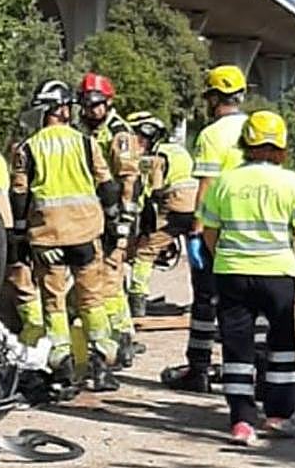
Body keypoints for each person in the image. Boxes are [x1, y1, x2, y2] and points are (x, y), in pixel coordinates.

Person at [198, 111, 295, 446]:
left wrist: (220, 255)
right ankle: (279, 416)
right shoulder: (291, 182)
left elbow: (209, 232)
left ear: (245, 144)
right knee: (281, 346)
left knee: (237, 347)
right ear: (281, 146)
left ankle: (241, 421)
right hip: (277, 274)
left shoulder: (225, 181)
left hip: (232, 273)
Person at [12, 80, 120, 390]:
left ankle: (62, 368)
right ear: (63, 109)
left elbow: (19, 195)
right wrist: (114, 224)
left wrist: (20, 237)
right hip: (86, 234)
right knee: (92, 300)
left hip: (47, 238)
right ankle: (102, 367)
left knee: (54, 303)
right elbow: (107, 186)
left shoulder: (27, 147)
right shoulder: (86, 143)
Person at [162, 64, 250, 393]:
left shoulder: (212, 135)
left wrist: (196, 231)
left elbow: (207, 185)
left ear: (214, 98)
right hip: (253, 227)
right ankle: (248, 369)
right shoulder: (256, 128)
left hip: (218, 228)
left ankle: (198, 369)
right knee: (249, 302)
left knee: (206, 299)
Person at [77, 72, 141, 367]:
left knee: (112, 274)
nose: (91, 110)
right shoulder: (82, 130)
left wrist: (125, 220)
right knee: (97, 275)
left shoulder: (118, 133)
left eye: (96, 104)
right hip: (92, 213)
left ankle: (122, 337)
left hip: (116, 213)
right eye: (87, 104)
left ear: (108, 102)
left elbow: (129, 178)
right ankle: (111, 336)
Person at [125, 111, 197, 317]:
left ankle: (137, 300)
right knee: (199, 256)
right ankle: (205, 299)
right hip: (198, 207)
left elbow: (153, 191)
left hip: (175, 205)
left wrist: (145, 223)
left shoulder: (155, 156)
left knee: (145, 252)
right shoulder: (178, 150)